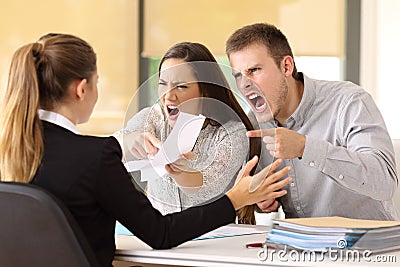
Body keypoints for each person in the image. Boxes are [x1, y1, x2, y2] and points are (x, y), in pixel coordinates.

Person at [0, 33, 292, 267]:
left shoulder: (11, 148)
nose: (168, 94)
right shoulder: (96, 155)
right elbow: (159, 233)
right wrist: (236, 197)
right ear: (81, 89)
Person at [225, 22, 399, 220]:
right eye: (238, 75)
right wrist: (261, 200)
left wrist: (305, 148)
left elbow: (384, 182)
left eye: (254, 70)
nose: (244, 84)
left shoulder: (348, 101)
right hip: (299, 246)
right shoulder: (254, 125)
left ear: (286, 66)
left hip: (366, 245)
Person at [119, 42, 260, 223]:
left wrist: (180, 173)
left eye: (181, 86)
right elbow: (109, 149)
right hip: (160, 238)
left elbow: (207, 189)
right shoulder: (153, 118)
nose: (168, 95)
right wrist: (129, 141)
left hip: (215, 238)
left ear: (205, 90)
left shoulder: (231, 133)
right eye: (163, 84)